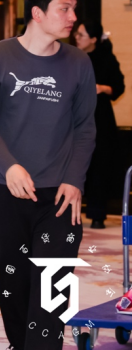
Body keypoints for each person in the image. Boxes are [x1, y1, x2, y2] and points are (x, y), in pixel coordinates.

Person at [0, 0, 96, 350]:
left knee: (53, 283)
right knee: (12, 283)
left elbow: (85, 128)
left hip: (59, 195)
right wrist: (9, 165)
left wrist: (74, 180)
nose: (73, 17)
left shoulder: (78, 63)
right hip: (7, 190)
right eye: (65, 8)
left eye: (74, 8)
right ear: (37, 13)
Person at [73, 21, 124, 229]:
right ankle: (69, 212)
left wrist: (101, 88)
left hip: (100, 119)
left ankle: (97, 214)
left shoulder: (106, 58)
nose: (77, 37)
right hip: (74, 117)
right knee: (74, 165)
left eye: (81, 35)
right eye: (76, 33)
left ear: (93, 39)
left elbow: (118, 87)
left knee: (99, 166)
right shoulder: (71, 57)